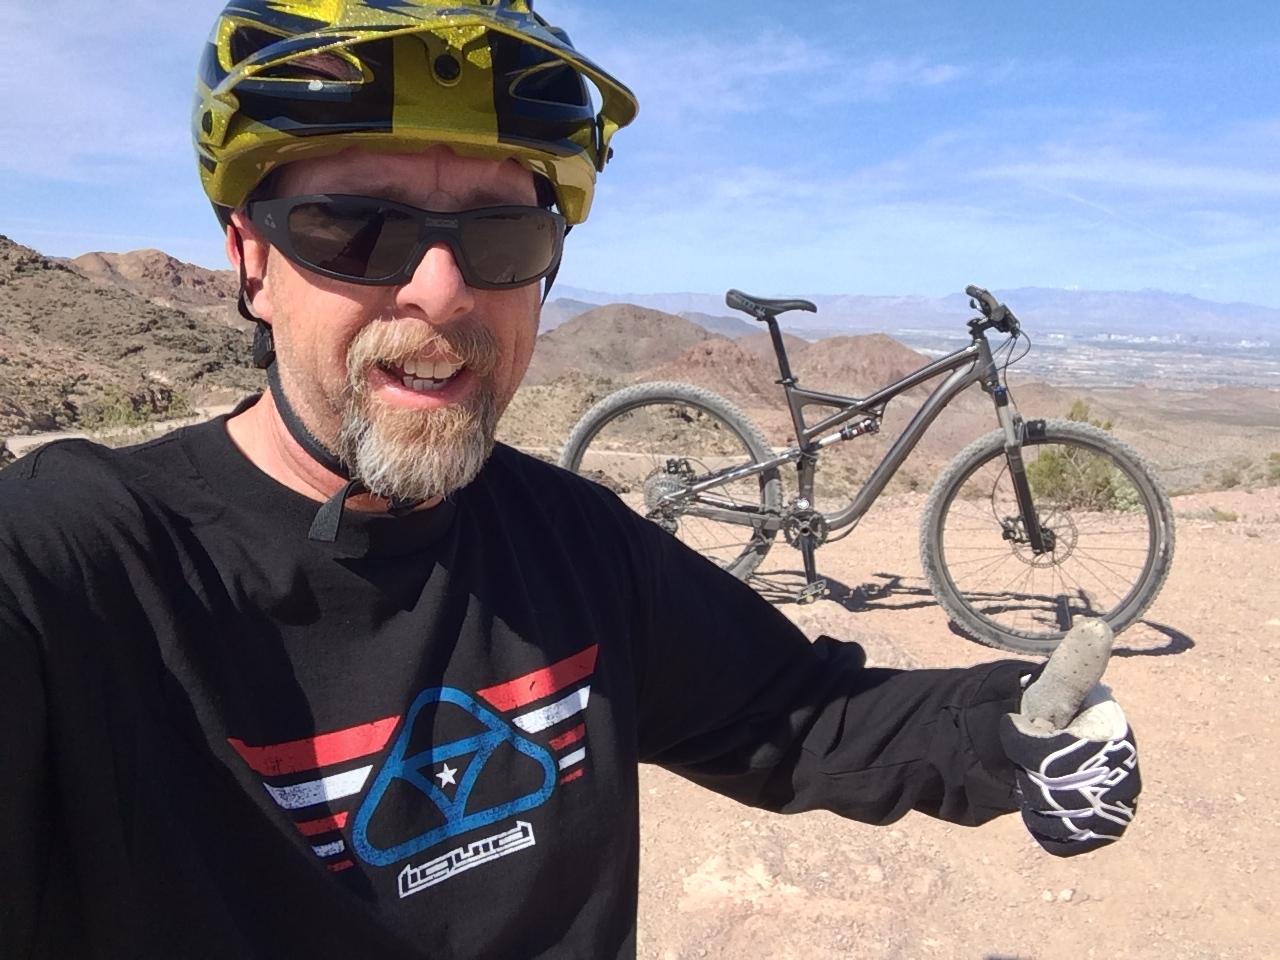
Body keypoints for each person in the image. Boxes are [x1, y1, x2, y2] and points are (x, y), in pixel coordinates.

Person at [0, 2, 1140, 957]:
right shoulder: (78, 567)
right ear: (249, 260)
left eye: (500, 237)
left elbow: (800, 719)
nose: (442, 294)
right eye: (350, 228)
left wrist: (1009, 734)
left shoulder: (570, 542)